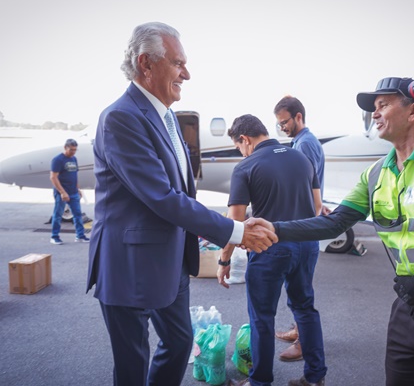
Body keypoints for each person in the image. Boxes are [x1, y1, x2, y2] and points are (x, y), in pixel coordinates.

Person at [248, 77, 414, 386]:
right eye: (374, 108)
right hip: (412, 304)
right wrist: (275, 229)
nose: (374, 114)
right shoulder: (377, 172)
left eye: (383, 106)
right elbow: (334, 223)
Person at [85, 22, 276, 386]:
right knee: (132, 363)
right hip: (130, 264)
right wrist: (235, 231)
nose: (186, 74)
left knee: (180, 340)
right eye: (177, 63)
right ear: (146, 63)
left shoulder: (167, 117)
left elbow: (182, 193)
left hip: (169, 261)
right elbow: (161, 197)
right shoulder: (121, 117)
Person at [219, 114, 326, 386]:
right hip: (307, 244)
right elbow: (317, 206)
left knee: (262, 318)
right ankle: (315, 378)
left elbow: (235, 224)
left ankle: (260, 382)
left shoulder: (246, 167)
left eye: (238, 146)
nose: (240, 152)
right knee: (305, 309)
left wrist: (224, 260)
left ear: (245, 139)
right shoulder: (301, 157)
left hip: (270, 248)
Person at [273, 95, 328, 361]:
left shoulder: (305, 145)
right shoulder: (299, 142)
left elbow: (306, 187)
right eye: (279, 124)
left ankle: (304, 344)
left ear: (298, 117)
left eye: (285, 122)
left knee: (301, 291)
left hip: (304, 228)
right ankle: (298, 331)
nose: (282, 127)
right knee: (297, 288)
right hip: (304, 225)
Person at [49, 138, 89, 245]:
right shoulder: (58, 160)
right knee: (58, 215)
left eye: (75, 150)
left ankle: (80, 236)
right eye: (71, 150)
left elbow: (74, 175)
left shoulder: (74, 159)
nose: (73, 152)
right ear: (65, 148)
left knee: (77, 215)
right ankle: (54, 236)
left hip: (73, 192)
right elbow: (53, 177)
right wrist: (62, 192)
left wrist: (78, 189)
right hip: (61, 193)